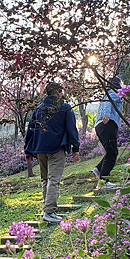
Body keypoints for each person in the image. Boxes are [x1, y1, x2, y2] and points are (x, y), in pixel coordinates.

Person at [25, 82, 80, 223]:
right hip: (56, 148)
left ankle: (47, 209)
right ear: (57, 92)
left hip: (40, 149)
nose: (61, 94)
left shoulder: (38, 109)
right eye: (60, 91)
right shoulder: (65, 108)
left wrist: (28, 150)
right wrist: (76, 149)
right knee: (54, 180)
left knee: (45, 180)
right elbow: (72, 130)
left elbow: (30, 130)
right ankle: (49, 212)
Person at [92, 77, 123, 190]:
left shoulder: (108, 93)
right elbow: (108, 103)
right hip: (107, 124)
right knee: (112, 153)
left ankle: (98, 169)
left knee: (110, 152)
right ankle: (103, 182)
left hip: (100, 126)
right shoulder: (113, 93)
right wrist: (107, 114)